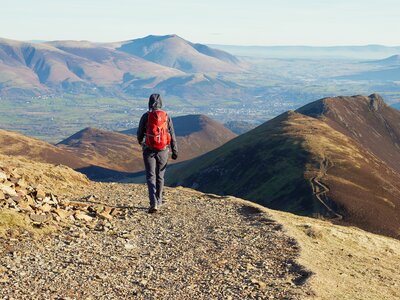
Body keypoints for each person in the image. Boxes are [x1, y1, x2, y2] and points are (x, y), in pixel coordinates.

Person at [137, 94, 178, 213]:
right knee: (160, 176)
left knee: (151, 177)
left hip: (149, 149)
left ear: (149, 103)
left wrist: (142, 143)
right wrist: (175, 151)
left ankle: (153, 203)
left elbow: (140, 133)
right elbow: (172, 134)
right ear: (161, 103)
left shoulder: (146, 116)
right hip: (163, 150)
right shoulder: (166, 116)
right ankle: (159, 200)